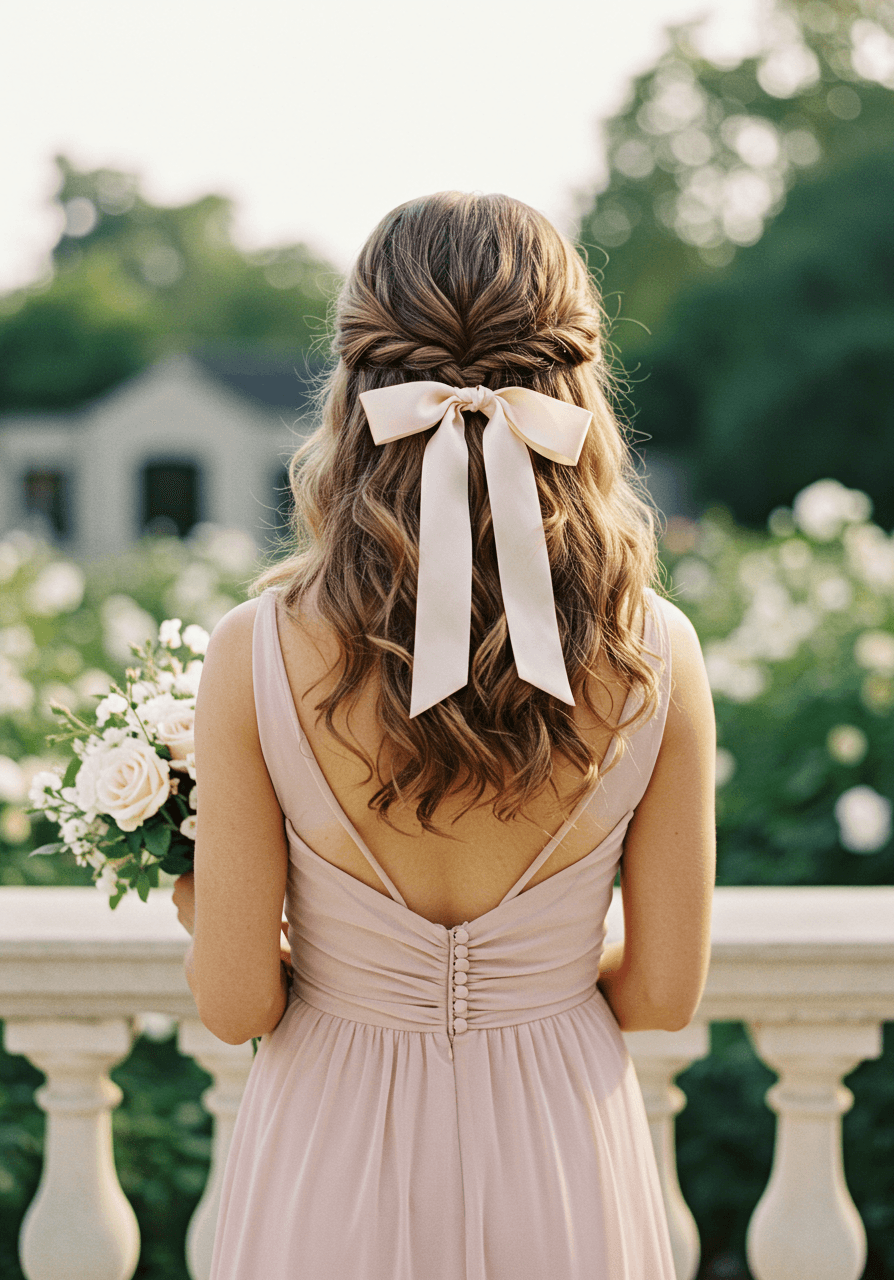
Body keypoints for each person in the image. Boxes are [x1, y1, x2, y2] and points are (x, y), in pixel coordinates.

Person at [172, 191, 716, 1280]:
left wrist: (197, 887)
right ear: (572, 383)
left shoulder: (254, 651)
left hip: (330, 1145)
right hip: (558, 1140)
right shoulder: (656, 650)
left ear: (356, 383)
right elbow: (662, 993)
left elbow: (237, 999)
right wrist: (531, 977)